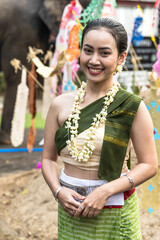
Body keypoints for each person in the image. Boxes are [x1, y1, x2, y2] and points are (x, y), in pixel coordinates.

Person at [42, 18, 158, 240]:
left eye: (104, 53)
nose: (94, 60)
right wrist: (58, 191)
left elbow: (150, 165)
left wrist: (105, 191)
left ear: (120, 58)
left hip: (116, 213)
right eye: (88, 50)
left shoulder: (132, 106)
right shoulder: (60, 105)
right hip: (71, 213)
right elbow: (47, 159)